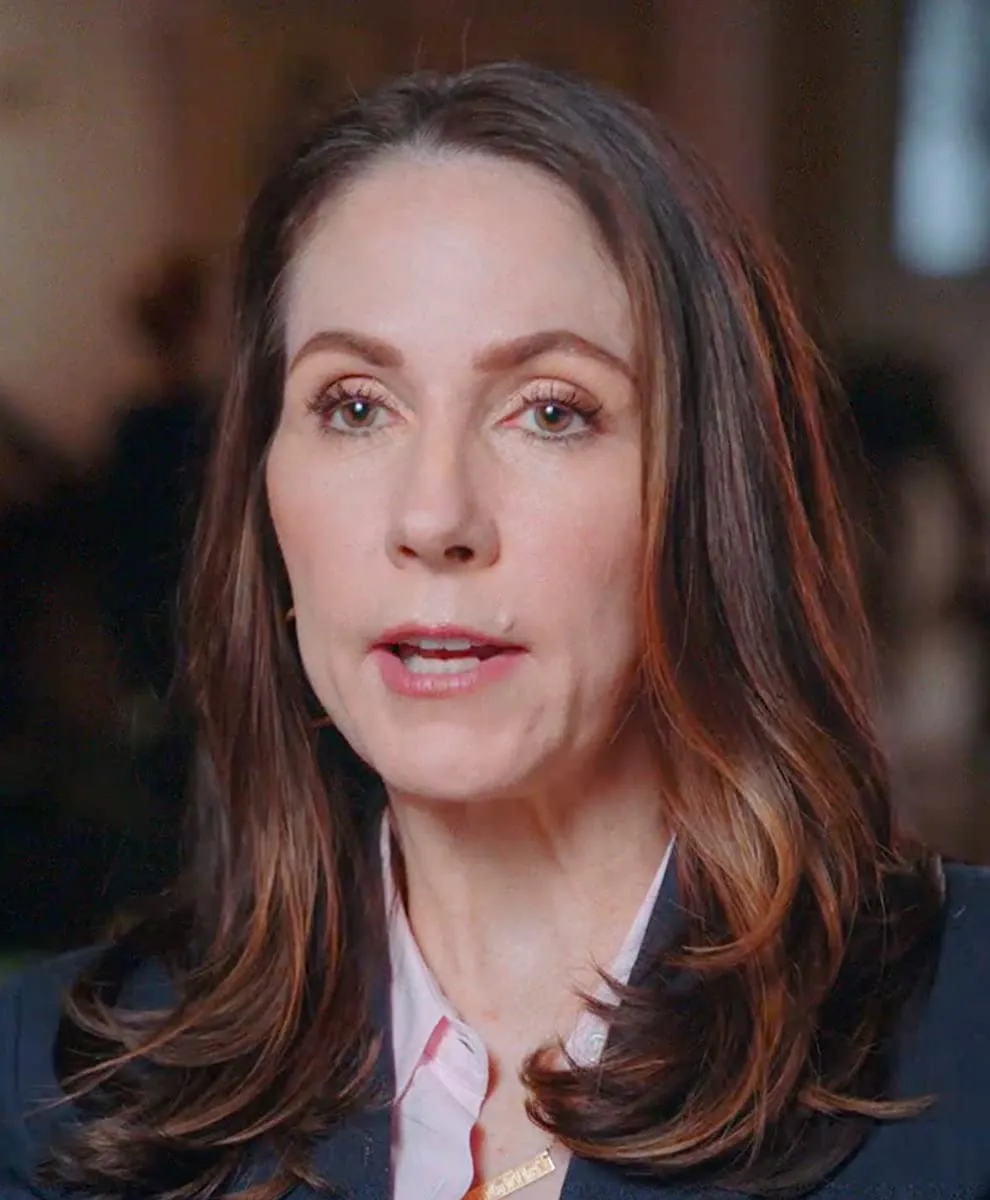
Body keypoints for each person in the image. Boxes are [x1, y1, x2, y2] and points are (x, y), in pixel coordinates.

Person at [2, 61, 989, 1200]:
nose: (434, 519)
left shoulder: (960, 1033)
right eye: (355, 406)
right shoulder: (58, 1088)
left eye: (551, 411)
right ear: (264, 503)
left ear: (706, 500)